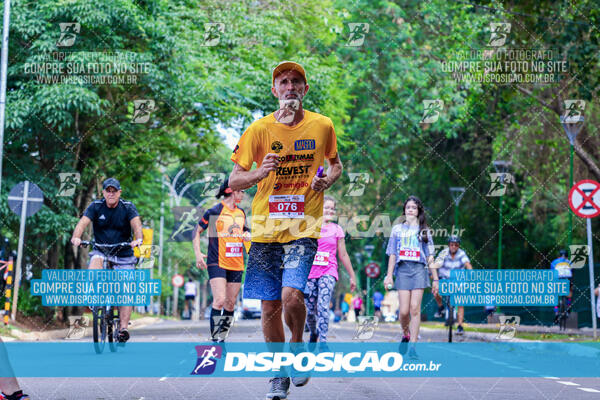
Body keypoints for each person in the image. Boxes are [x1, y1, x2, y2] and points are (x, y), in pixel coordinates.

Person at [228, 60, 342, 399]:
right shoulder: (259, 130)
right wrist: (258, 173)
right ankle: (278, 374)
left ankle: (298, 346)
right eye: (283, 81)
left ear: (305, 90)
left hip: (304, 227)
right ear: (274, 90)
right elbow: (235, 179)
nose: (290, 86)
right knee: (269, 307)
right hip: (264, 231)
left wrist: (327, 180)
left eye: (296, 81)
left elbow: (336, 165)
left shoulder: (322, 126)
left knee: (292, 295)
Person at [71, 178, 142, 343]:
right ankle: (94, 298)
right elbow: (82, 223)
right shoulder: (95, 206)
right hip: (101, 250)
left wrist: (138, 239)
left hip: (123, 252)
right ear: (103, 192)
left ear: (119, 192)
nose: (111, 194)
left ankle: (123, 329)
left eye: (114, 191)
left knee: (126, 291)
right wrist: (76, 237)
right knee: (94, 266)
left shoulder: (128, 207)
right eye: (108, 191)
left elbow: (137, 225)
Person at [192, 178, 249, 342]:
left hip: (237, 263)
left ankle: (222, 338)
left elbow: (243, 232)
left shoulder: (241, 213)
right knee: (219, 300)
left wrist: (246, 236)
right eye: (242, 191)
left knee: (230, 304)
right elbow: (196, 231)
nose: (243, 194)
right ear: (232, 190)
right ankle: (215, 339)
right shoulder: (215, 212)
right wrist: (197, 254)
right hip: (216, 261)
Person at [384, 195, 434, 360]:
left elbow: (430, 257)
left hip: (419, 270)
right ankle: (406, 334)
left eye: (413, 207)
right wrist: (389, 276)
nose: (410, 210)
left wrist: (436, 279)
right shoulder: (397, 229)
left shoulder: (424, 230)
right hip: (403, 270)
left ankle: (413, 346)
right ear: (404, 211)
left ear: (418, 210)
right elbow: (392, 253)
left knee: (415, 309)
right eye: (408, 207)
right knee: (404, 311)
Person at [304, 195, 356, 344]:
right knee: (310, 310)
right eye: (327, 207)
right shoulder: (310, 226)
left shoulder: (337, 230)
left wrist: (352, 276)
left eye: (332, 208)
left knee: (323, 305)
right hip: (310, 273)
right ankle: (314, 332)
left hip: (329, 271)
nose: (330, 211)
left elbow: (343, 254)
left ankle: (323, 341)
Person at [431, 235, 472, 335]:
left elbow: (467, 265)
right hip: (444, 279)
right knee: (435, 290)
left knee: (460, 302)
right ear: (449, 245)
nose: (454, 246)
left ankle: (460, 326)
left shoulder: (461, 254)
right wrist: (432, 275)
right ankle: (441, 307)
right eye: (452, 244)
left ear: (458, 246)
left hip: (458, 280)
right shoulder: (443, 253)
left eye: (456, 245)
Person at [550, 249, 573, 321]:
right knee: (570, 292)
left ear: (559, 256)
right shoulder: (569, 262)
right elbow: (572, 272)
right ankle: (568, 306)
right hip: (567, 278)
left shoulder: (554, 262)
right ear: (566, 256)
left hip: (557, 279)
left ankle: (556, 312)